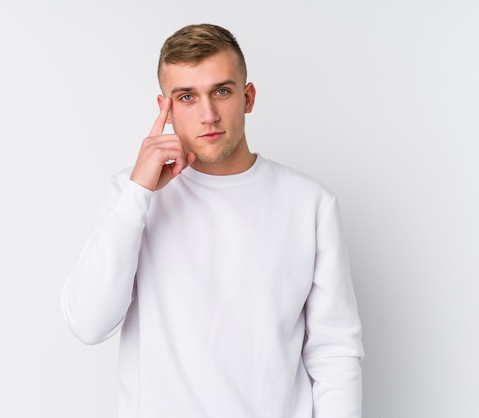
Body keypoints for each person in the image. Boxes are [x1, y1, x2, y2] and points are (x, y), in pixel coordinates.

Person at [61, 23, 364, 418]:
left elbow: (335, 352)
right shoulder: (130, 195)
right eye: (187, 97)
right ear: (164, 108)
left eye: (221, 91)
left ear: (248, 97)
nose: (208, 115)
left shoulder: (309, 204)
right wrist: (139, 191)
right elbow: (88, 323)